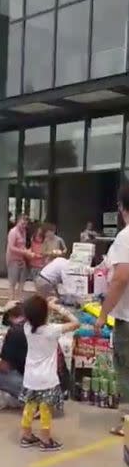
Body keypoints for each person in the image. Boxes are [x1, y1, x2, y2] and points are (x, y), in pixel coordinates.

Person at [20, 295, 79, 450]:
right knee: (46, 409)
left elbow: (34, 316)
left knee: (29, 407)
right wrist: (57, 307)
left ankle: (26, 436)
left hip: (30, 378)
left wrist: (46, 307)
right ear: (45, 314)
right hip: (47, 379)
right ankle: (46, 440)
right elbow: (76, 323)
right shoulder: (52, 330)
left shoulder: (27, 328)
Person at [95, 184, 129, 435]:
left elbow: (120, 278)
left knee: (125, 367)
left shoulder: (126, 237)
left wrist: (104, 313)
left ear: (122, 208)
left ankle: (127, 420)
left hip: (128, 319)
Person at [0, 303, 27, 400]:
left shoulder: (15, 331)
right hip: (56, 384)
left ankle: (33, 398)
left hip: (36, 384)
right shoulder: (38, 326)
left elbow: (4, 367)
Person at [6, 213, 31, 300]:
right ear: (18, 221)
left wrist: (27, 251)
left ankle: (18, 299)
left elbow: (23, 245)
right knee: (12, 282)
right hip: (13, 260)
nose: (24, 226)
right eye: (22, 223)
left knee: (22, 281)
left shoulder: (24, 232)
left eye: (25, 224)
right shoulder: (13, 232)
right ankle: (11, 300)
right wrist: (24, 251)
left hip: (22, 258)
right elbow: (11, 247)